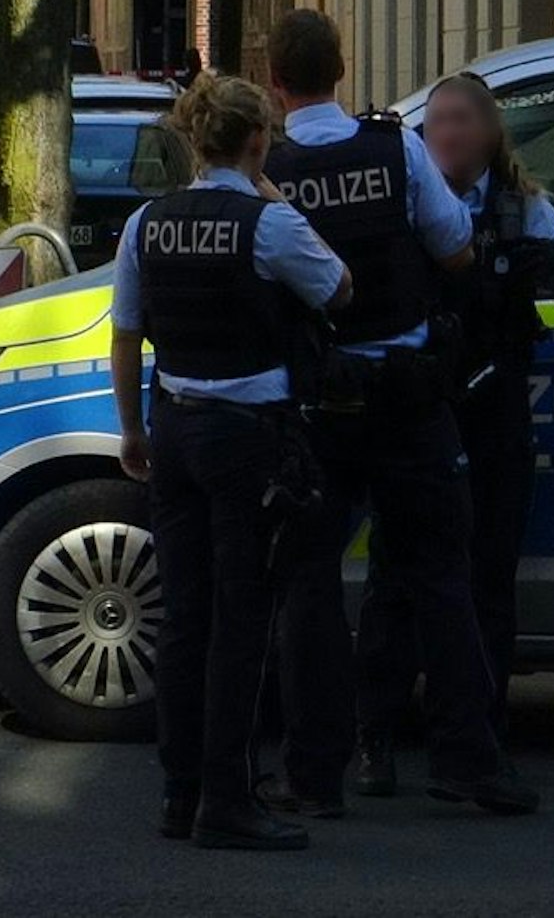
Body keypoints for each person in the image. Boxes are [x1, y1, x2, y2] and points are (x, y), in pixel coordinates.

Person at [262, 10, 538, 817]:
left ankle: (313, 777)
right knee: (443, 580)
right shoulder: (394, 148)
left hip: (315, 407)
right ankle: (468, 761)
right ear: (342, 68)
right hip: (410, 400)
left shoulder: (269, 170)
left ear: (277, 81)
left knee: (309, 590)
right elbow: (455, 249)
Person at [111, 73, 350, 852]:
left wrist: (133, 433)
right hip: (247, 435)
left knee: (183, 619)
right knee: (241, 622)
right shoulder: (268, 225)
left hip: (172, 426)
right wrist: (272, 195)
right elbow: (339, 289)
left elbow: (125, 333)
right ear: (256, 142)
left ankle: (179, 793)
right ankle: (228, 798)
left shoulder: (147, 223)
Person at [353, 72, 554, 791]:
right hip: (417, 414)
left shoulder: (525, 209)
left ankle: (478, 740)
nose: (446, 134)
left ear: (493, 134)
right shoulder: (399, 206)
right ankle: (376, 739)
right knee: (394, 581)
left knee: (488, 584)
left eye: (462, 120)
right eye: (435, 123)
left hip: (494, 414)